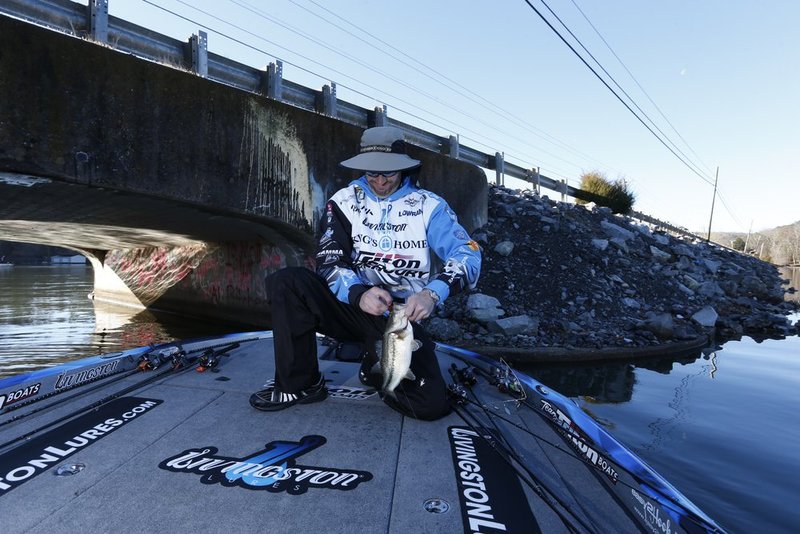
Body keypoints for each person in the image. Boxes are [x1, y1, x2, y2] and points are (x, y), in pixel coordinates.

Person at [249, 126, 481, 420]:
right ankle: (301, 384)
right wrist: (358, 293)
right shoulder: (344, 202)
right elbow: (329, 260)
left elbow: (468, 253)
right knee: (286, 282)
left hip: (399, 319)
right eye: (372, 173)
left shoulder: (430, 206)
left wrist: (431, 293)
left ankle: (372, 367)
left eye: (388, 173)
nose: (380, 181)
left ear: (404, 167)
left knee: (430, 405)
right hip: (353, 304)